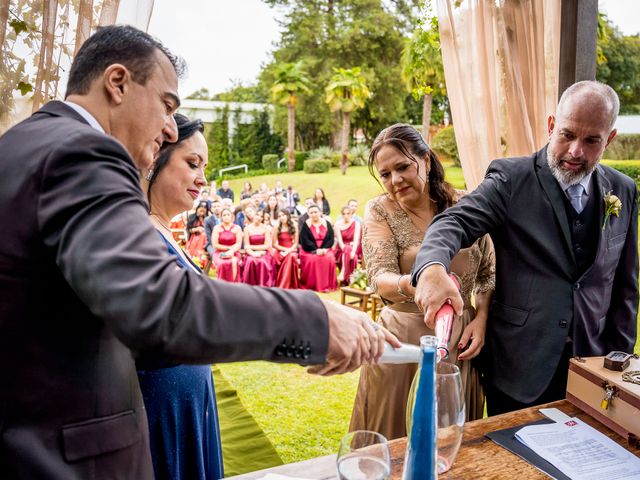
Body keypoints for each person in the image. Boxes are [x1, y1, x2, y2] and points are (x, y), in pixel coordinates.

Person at [0, 25, 398, 478]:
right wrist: (316, 320)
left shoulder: (21, 143)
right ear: (117, 82)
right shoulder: (81, 150)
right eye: (167, 106)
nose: (170, 128)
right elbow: (159, 301)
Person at [412, 81, 638, 416]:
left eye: (591, 140)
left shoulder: (623, 189)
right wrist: (431, 267)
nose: (576, 151)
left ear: (610, 139)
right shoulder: (510, 179)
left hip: (592, 367)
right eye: (567, 135)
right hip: (520, 369)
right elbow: (453, 222)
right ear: (551, 126)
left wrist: (618, 363)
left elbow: (625, 285)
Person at [349, 124, 495, 440]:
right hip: (402, 340)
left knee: (448, 436)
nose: (395, 180)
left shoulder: (465, 204)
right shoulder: (379, 210)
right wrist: (422, 284)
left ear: (426, 160)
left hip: (458, 340)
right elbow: (379, 277)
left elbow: (488, 276)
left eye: (402, 167)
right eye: (385, 174)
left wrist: (481, 319)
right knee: (395, 438)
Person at [138, 113, 224, 479]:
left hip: (189, 402)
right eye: (192, 164)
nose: (203, 179)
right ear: (155, 158)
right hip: (162, 411)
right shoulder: (138, 235)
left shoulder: (164, 229)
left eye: (204, 167)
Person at [299, 204, 338, 292]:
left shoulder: (326, 223)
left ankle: (327, 285)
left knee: (329, 258)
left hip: (325, 248)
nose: (314, 214)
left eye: (315, 212)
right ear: (308, 214)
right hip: (309, 250)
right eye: (311, 212)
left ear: (320, 212)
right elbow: (304, 240)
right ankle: (313, 285)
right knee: (313, 259)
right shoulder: (306, 224)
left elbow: (331, 238)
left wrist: (324, 249)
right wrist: (315, 250)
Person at [243, 210, 276, 287]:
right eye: (257, 215)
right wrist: (254, 253)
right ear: (253, 215)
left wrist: (252, 247)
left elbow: (266, 246)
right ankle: (250, 286)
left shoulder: (265, 228)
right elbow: (246, 246)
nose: (259, 217)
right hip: (250, 253)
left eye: (261, 216)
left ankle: (263, 285)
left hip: (264, 252)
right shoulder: (247, 229)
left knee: (262, 262)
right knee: (251, 261)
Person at [209, 207, 243, 282]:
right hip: (219, 252)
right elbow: (215, 245)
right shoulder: (217, 228)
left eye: (228, 214)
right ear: (221, 217)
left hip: (235, 252)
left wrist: (231, 251)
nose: (226, 217)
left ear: (232, 216)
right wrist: (229, 248)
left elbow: (238, 244)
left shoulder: (237, 228)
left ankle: (234, 284)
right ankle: (221, 283)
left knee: (234, 261)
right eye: (224, 215)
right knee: (222, 263)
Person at [273, 210, 300, 289]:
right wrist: (284, 250)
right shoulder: (277, 227)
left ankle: (284, 284)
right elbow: (274, 244)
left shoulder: (294, 225)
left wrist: (288, 250)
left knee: (291, 256)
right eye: (279, 216)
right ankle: (284, 284)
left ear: (287, 215)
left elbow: (295, 243)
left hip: (291, 249)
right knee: (289, 257)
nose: (281, 217)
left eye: (283, 215)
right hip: (280, 250)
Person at [335, 205, 362, 285]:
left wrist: (353, 251)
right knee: (347, 249)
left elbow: (356, 240)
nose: (346, 216)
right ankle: (350, 279)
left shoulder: (356, 223)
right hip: (341, 248)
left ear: (351, 214)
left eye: (348, 213)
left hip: (355, 247)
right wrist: (346, 249)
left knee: (351, 252)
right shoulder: (337, 224)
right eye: (344, 214)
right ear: (341, 215)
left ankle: (343, 273)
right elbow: (340, 242)